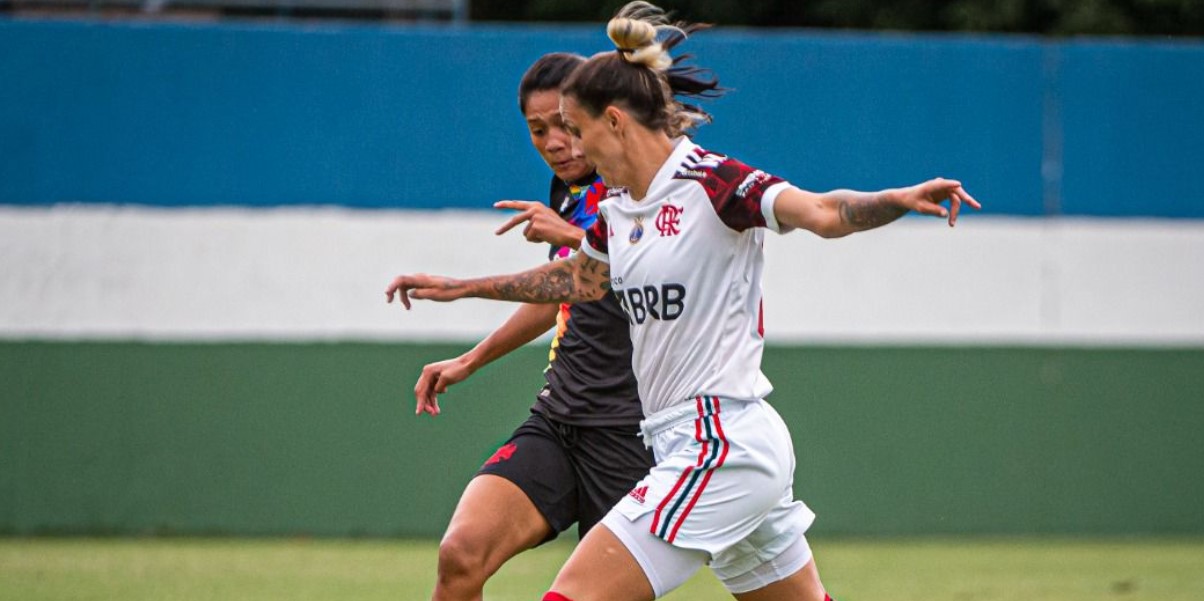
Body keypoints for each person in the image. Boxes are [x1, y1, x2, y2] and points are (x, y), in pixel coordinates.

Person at [387, 3, 981, 599]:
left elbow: (824, 212)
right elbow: (576, 282)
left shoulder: (715, 183)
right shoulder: (617, 211)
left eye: (577, 128)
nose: (569, 145)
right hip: (683, 442)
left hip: (720, 445)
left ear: (614, 122)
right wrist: (463, 288)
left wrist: (900, 198)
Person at [413, 53, 653, 601]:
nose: (553, 141)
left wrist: (568, 237)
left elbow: (632, 266)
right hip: (560, 419)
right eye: (537, 129)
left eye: (566, 126)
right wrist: (469, 360)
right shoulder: (567, 193)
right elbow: (559, 295)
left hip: (633, 437)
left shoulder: (639, 188)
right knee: (460, 554)